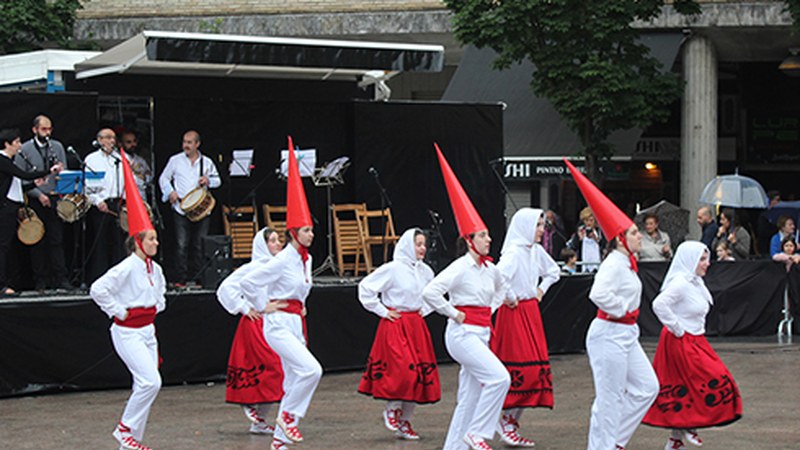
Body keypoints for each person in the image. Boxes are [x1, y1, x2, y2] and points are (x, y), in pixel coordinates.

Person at [564, 159, 659, 450]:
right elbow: (598, 294)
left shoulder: (627, 263)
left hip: (625, 334)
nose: (639, 234)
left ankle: (614, 441)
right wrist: (622, 309)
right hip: (609, 333)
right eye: (632, 232)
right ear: (619, 239)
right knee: (610, 397)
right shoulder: (615, 263)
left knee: (647, 388)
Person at [422, 144, 509, 450]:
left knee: (469, 398)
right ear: (470, 241)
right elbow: (430, 291)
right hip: (462, 334)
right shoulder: (460, 267)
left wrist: (493, 309)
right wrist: (452, 312)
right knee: (500, 378)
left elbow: (503, 290)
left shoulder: (490, 268)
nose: (490, 238)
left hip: (481, 332)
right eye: (484, 235)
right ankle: (478, 433)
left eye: (488, 234)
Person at [238, 137, 322, 450]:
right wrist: (263, 305)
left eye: (312, 229)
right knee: (312, 370)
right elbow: (249, 282)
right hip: (276, 326)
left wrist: (301, 305)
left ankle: (279, 441)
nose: (311, 234)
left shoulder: (307, 258)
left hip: (294, 323)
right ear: (292, 233)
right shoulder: (283, 258)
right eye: (306, 230)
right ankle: (288, 417)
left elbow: (302, 288)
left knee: (292, 379)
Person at [89, 146, 166, 450]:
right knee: (151, 382)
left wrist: (159, 303)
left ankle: (130, 441)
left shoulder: (154, 267)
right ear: (137, 241)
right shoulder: (125, 267)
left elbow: (159, 289)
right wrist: (118, 311)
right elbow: (98, 289)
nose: (156, 242)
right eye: (151, 238)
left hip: (148, 329)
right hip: (128, 330)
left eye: (156, 238)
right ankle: (124, 429)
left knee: (145, 384)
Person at [643, 241, 742, 449]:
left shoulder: (695, 281)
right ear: (690, 260)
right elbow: (659, 304)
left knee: (686, 386)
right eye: (702, 259)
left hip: (696, 339)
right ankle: (688, 427)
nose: (707, 263)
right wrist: (677, 328)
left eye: (707, 259)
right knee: (710, 378)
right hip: (681, 340)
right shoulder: (680, 282)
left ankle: (675, 439)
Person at [357, 228, 440, 440]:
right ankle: (392, 408)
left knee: (418, 375)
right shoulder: (393, 269)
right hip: (396, 324)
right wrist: (384, 311)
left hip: (416, 325)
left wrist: (425, 310)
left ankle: (405, 421)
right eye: (417, 244)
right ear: (406, 245)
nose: (422, 248)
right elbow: (366, 288)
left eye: (423, 244)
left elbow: (434, 294)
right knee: (405, 371)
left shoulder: (426, 271)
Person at [491, 208, 560, 447]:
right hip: (514, 313)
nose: (542, 230)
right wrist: (510, 296)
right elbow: (498, 277)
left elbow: (554, 271)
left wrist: (541, 290)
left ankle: (509, 422)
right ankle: (505, 421)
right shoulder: (513, 253)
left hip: (530, 312)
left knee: (535, 372)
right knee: (521, 370)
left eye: (542, 226)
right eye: (538, 226)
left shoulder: (535, 251)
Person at [217, 227, 285, 435]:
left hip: (274, 321)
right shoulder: (255, 267)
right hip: (256, 325)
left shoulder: (278, 267)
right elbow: (225, 288)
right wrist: (245, 308)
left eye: (278, 240)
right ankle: (248, 403)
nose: (278, 244)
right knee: (270, 366)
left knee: (279, 371)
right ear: (263, 245)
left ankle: (260, 420)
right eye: (272, 241)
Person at [14, 115, 72, 290]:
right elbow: (21, 180)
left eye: (49, 129)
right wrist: (39, 194)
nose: (47, 133)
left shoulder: (57, 147)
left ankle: (60, 278)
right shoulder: (24, 149)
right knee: (37, 241)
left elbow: (66, 173)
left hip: (55, 198)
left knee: (56, 240)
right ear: (35, 129)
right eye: (43, 129)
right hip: (35, 199)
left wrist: (63, 177)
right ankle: (41, 279)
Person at [0, 129, 59, 296]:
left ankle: (9, 281)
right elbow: (23, 174)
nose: (19, 146)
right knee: (2, 246)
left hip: (12, 207)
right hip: (5, 208)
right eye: (17, 142)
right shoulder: (2, 160)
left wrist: (35, 183)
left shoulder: (9, 163)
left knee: (7, 247)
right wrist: (49, 171)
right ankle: (1, 285)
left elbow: (19, 186)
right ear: (7, 144)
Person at [158, 130, 221, 286]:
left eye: (189, 142)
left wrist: (208, 181)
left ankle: (199, 278)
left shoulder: (206, 162)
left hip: (201, 209)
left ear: (197, 144)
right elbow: (163, 178)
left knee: (199, 244)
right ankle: (181, 279)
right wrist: (170, 192)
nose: (185, 145)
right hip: (181, 208)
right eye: (184, 142)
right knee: (182, 244)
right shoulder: (175, 160)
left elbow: (218, 181)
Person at [85, 128, 127, 283]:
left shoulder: (120, 159)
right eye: (107, 137)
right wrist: (97, 201)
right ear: (100, 140)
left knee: (118, 242)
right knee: (100, 242)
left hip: (117, 203)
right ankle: (99, 278)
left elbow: (125, 182)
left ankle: (119, 279)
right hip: (100, 205)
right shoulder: (92, 159)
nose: (111, 141)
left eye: (113, 138)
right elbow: (88, 185)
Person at [567, 207, 605, 272]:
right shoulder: (580, 231)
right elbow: (572, 248)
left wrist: (597, 239)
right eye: (586, 220)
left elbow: (605, 247)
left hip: (597, 265)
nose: (588, 223)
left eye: (591, 220)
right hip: (583, 265)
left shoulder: (600, 232)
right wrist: (579, 239)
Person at [119, 130, 153, 202]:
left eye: (134, 141)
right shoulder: (118, 160)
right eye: (129, 142)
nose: (133, 144)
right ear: (121, 144)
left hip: (141, 197)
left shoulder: (140, 160)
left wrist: (144, 177)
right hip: (127, 198)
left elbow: (149, 175)